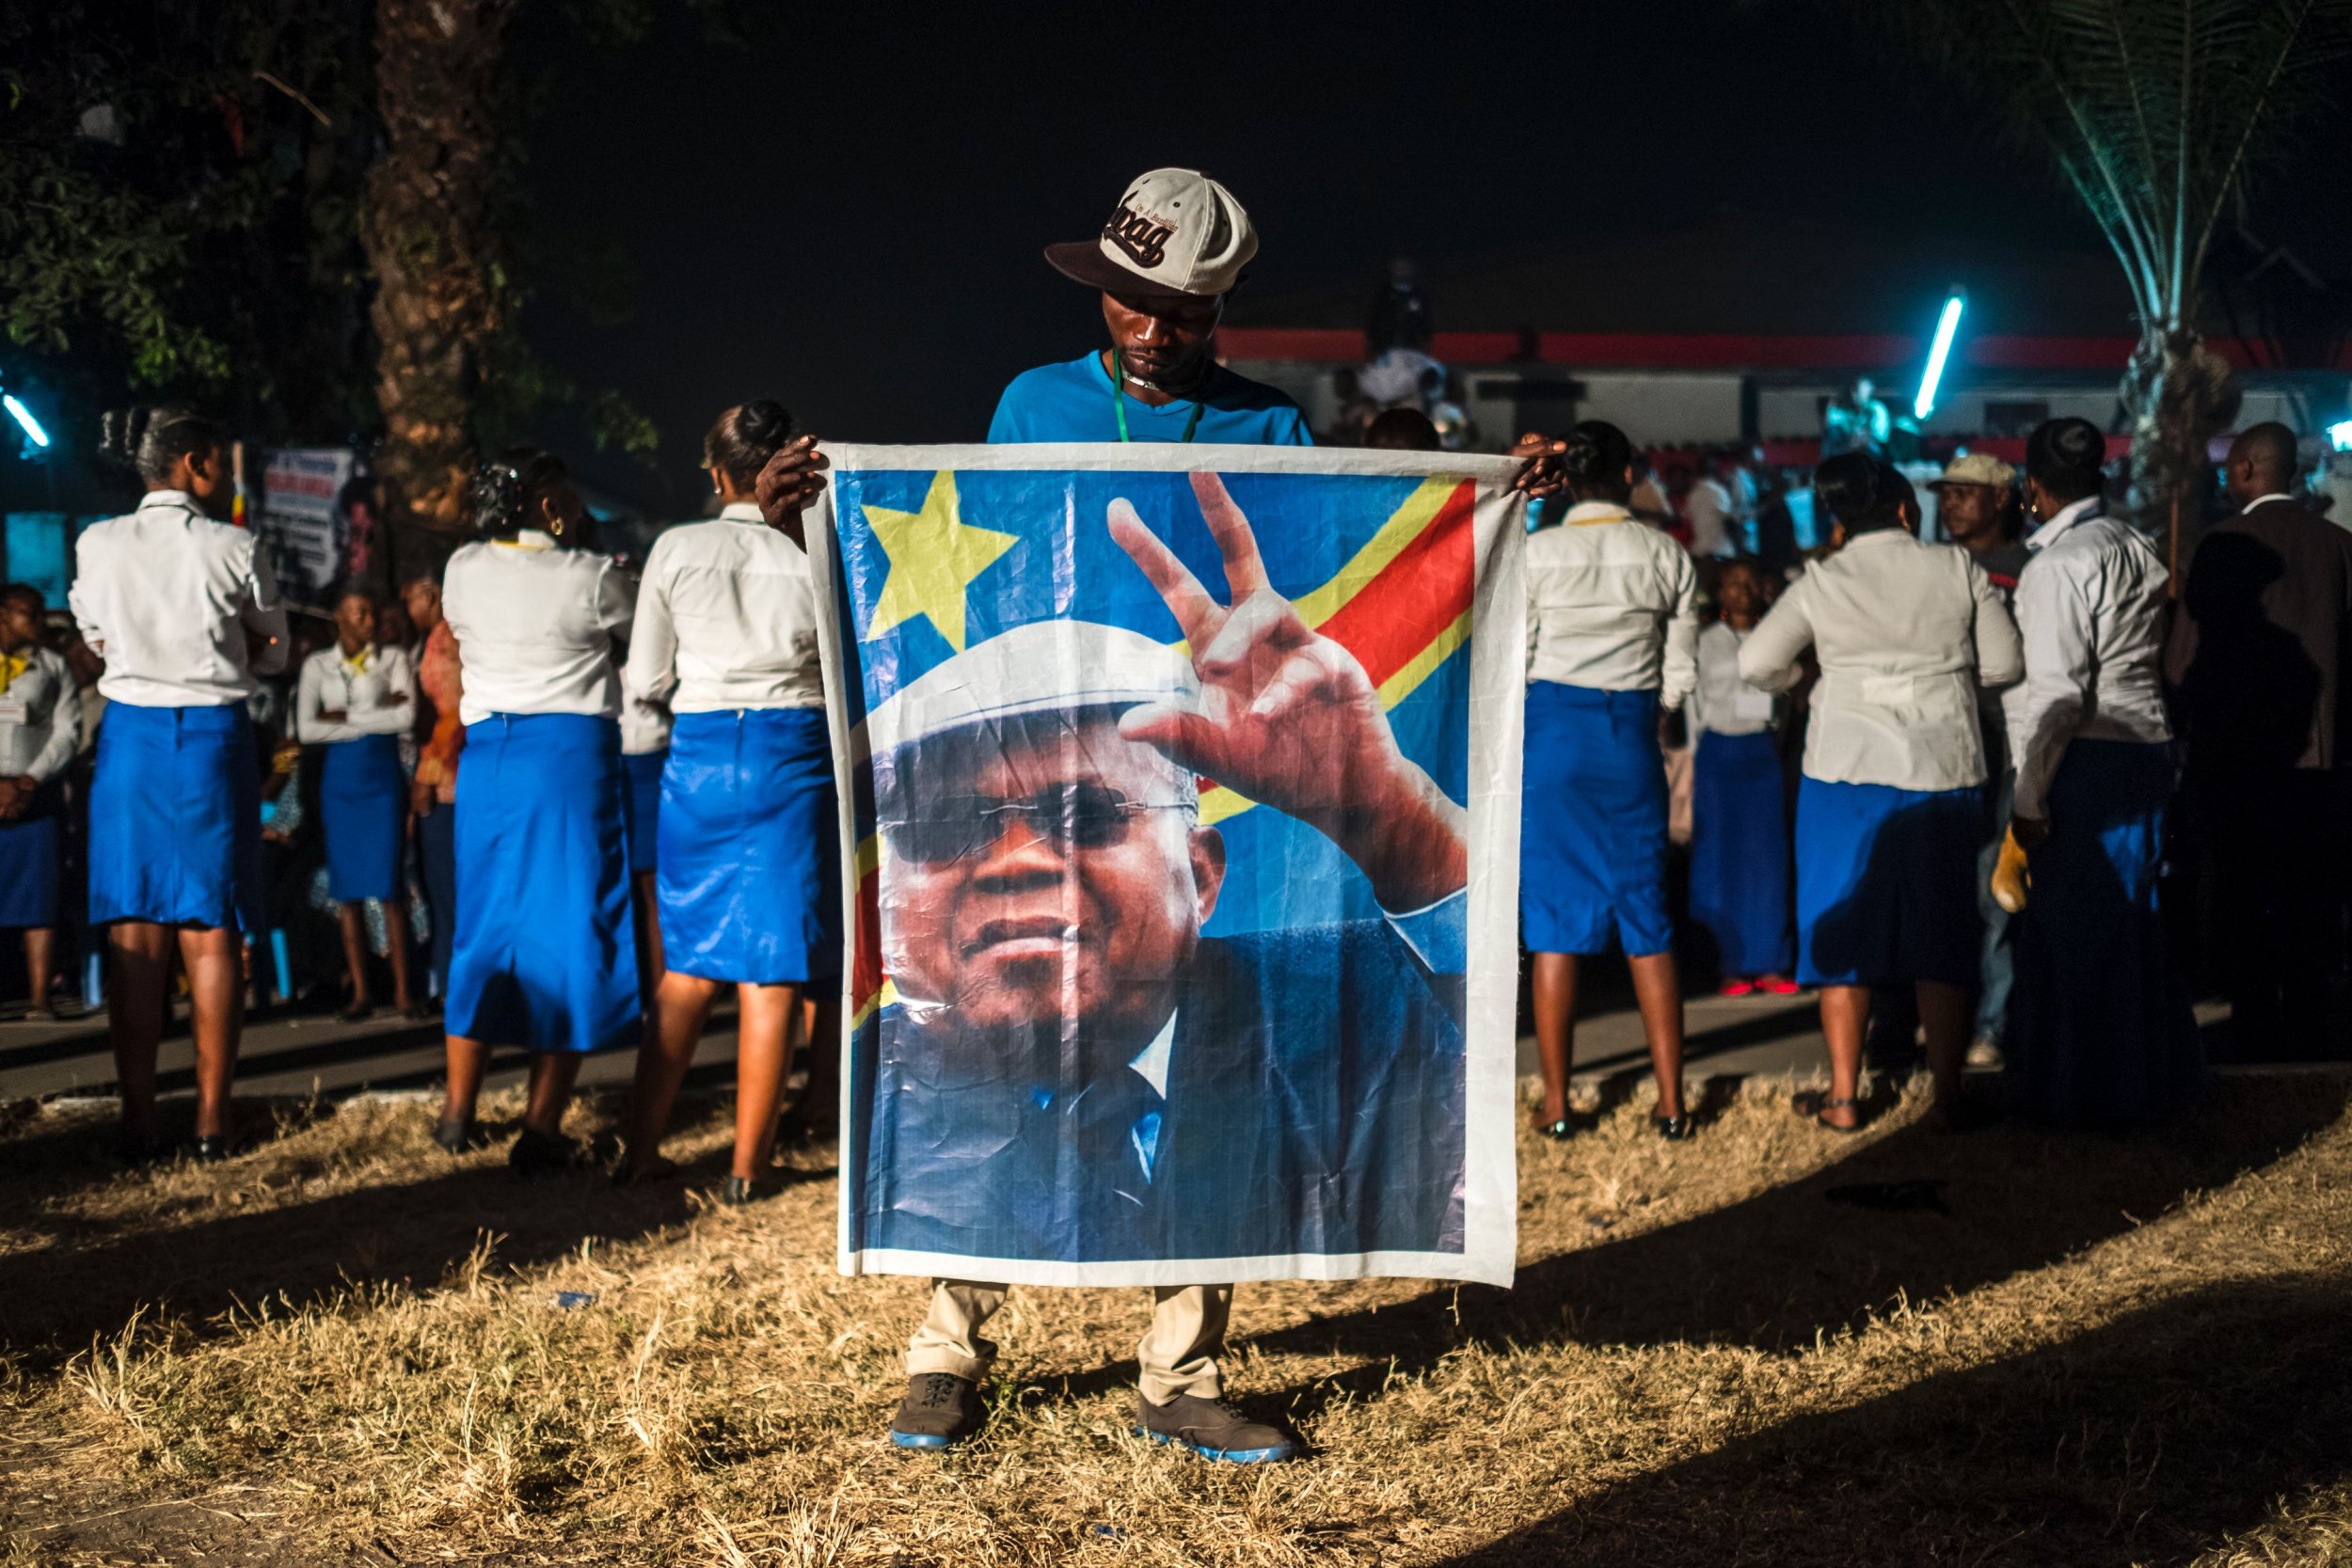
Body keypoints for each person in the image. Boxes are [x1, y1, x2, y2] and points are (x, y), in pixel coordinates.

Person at [760, 168, 1332, 1465]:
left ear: (1221, 306)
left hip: (1161, 790)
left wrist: (1494, 506)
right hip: (1025, 770)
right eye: (1125, 298)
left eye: (1175, 310)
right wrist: (812, 510)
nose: (1143, 327)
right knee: (988, 1056)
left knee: (1193, 1066)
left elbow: (1320, 584)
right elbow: (979, 554)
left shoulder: (1278, 431)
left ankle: (1182, 1367)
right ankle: (945, 1351)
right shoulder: (1032, 401)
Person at [1739, 453, 2021, 1131]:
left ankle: (1842, 1095)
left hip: (1843, 772)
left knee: (1845, 938)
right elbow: (2006, 662)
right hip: (1942, 769)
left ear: (1840, 520)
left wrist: (1805, 681)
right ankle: (1949, 1092)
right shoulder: (1956, 569)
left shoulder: (1820, 580)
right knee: (1943, 937)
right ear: (1903, 509)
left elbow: (1756, 664)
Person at [617, 400, 841, 1203]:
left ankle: (640, 1149)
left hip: (702, 758)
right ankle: (750, 1163)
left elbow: (644, 680)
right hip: (794, 756)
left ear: (717, 474)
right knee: (772, 971)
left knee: (686, 964)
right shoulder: (816, 550)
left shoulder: (676, 547)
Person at [72, 406, 288, 1161]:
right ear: (195, 464)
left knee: (135, 928)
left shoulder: (97, 542)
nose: (225, 475)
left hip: (130, 737)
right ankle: (209, 1120)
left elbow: (94, 639)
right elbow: (274, 646)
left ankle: (137, 1120)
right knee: (210, 926)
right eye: (219, 462)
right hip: (209, 734)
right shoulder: (234, 543)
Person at [435, 451, 637, 1171]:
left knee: (483, 926)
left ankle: (457, 1114)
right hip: (567, 757)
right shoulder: (589, 576)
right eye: (571, 500)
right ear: (550, 508)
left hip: (489, 754)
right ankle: (540, 1126)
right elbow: (636, 629)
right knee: (573, 926)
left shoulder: (461, 568)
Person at [2003, 419, 2202, 1120]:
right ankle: (2147, 1081)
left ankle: (2082, 1096)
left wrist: (2028, 794)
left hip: (2091, 753)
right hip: (2145, 746)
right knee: (2134, 923)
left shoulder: (2058, 564)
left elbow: (2058, 692)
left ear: (2033, 487)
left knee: (2077, 931)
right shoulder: (2135, 543)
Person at [1520, 420, 1697, 1141]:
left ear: (1567, 480)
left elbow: (1516, 651)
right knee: (1648, 917)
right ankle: (1672, 1102)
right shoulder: (1667, 554)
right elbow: (1680, 674)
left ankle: (1559, 1105)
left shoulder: (1537, 552)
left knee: (1555, 925)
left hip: (1552, 733)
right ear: (1627, 474)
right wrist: (1641, 712)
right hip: (1629, 734)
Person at [2167, 421, 2352, 1060]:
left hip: (2233, 760)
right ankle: (2307, 1021)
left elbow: (2181, 664)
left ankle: (2251, 1022)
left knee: (2240, 894)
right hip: (2320, 763)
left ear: (2247, 469)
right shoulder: (2338, 544)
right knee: (2310, 897)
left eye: (2227, 468)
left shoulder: (2219, 545)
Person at [1926, 451, 2029, 1070]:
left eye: (1967, 492)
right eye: (1947, 492)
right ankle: (1946, 1016)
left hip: (2008, 739)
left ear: (2002, 499)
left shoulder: (2029, 567)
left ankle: (1992, 1024)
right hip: (1946, 738)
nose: (1953, 503)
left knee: (1997, 885)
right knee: (1948, 887)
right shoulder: (1937, 566)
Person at [295, 588, 420, 1020]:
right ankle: (361, 991)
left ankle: (405, 991)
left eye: (370, 611)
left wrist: (344, 718)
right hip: (341, 780)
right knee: (346, 890)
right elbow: (307, 730)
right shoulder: (317, 664)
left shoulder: (393, 659)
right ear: (340, 618)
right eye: (359, 612)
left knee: (389, 886)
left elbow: (406, 718)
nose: (369, 620)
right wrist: (375, 716)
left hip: (381, 778)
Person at [1687, 560, 1794, 994]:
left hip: (1761, 752)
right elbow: (1693, 704)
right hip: (1717, 752)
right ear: (1720, 592)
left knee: (1766, 859)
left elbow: (1786, 695)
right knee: (1719, 858)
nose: (1742, 590)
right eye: (1733, 583)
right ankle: (1729, 963)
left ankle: (1771, 961)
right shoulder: (1706, 641)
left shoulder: (1776, 640)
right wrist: (1699, 756)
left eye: (1750, 582)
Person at [0, 584, 82, 1017]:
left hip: (32, 795)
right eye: (28, 613)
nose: (38, 622)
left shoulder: (51, 667)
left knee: (37, 897)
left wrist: (28, 780)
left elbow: (67, 730)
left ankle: (38, 995)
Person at [403, 573, 462, 1002]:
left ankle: (454, 983)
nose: (409, 611)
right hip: (454, 778)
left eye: (411, 601)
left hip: (448, 784)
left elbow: (451, 714)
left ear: (430, 595)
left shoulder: (443, 643)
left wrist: (427, 775)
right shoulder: (444, 638)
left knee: (447, 890)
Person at [1684, 453, 1736, 561]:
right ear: (1715, 470)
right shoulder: (1719, 491)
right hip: (1720, 549)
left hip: (1699, 550)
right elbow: (1730, 519)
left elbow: (1688, 518)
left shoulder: (1692, 494)